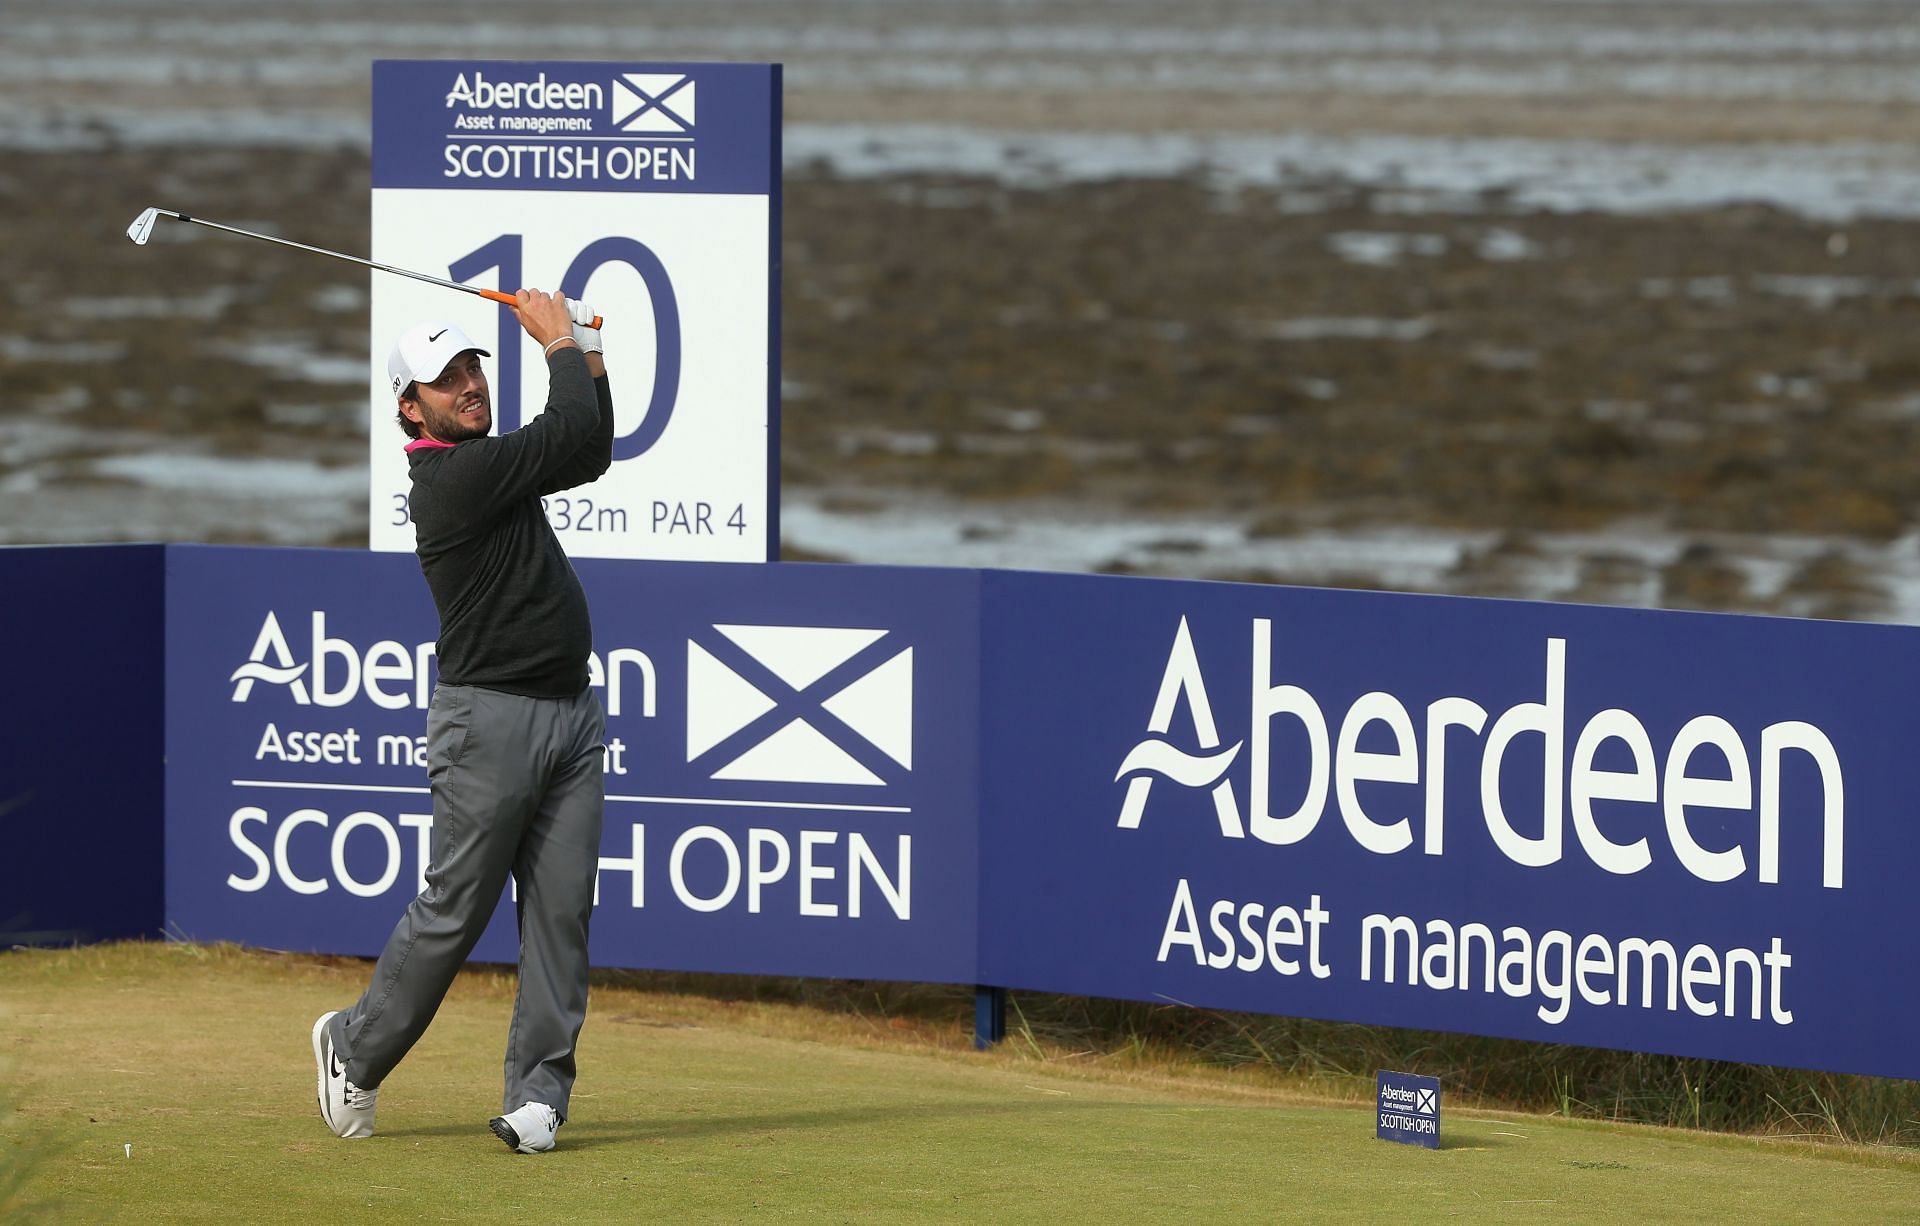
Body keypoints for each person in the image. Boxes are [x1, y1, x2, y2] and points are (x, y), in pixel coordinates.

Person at [312, 289, 614, 1154]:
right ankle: (354, 1047)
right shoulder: (452, 477)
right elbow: (565, 434)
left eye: (472, 368)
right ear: (411, 409)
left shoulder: (490, 461)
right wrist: (557, 341)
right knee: (455, 911)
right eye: (444, 381)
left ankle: (538, 1098)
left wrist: (587, 347)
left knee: (561, 914)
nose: (468, 386)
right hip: (488, 722)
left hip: (570, 715)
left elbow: (589, 449)